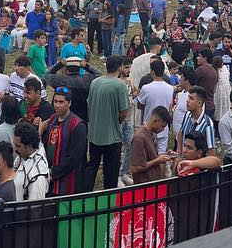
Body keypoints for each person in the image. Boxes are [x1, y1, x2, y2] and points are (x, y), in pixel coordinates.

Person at [84, 55, 130, 190]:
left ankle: (85, 195)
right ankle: (109, 198)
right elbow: (123, 112)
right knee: (111, 171)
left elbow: (89, 105)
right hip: (112, 136)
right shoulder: (120, 85)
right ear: (120, 67)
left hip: (94, 134)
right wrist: (117, 122)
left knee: (92, 166)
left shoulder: (95, 82)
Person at [42, 87, 87, 196]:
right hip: (49, 177)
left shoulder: (77, 125)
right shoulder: (52, 119)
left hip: (68, 180)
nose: (57, 105)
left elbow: (74, 157)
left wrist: (55, 172)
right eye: (55, 101)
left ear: (69, 103)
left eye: (61, 102)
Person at [129, 106, 173, 184]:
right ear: (155, 121)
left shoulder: (152, 133)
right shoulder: (139, 138)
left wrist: (165, 155)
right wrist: (157, 161)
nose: (162, 130)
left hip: (153, 183)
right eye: (162, 126)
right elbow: (135, 168)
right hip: (144, 186)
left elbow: (150, 157)